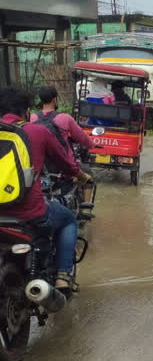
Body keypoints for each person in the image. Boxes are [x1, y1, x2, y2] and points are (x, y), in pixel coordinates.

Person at [0, 87, 91, 294]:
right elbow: (67, 164)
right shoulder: (38, 131)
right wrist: (81, 176)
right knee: (68, 219)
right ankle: (62, 277)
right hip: (30, 212)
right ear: (27, 111)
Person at [32, 86, 93, 158]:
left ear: (41, 100)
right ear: (54, 100)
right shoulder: (65, 118)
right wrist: (91, 144)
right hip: (63, 162)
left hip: (41, 161)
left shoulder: (32, 118)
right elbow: (81, 136)